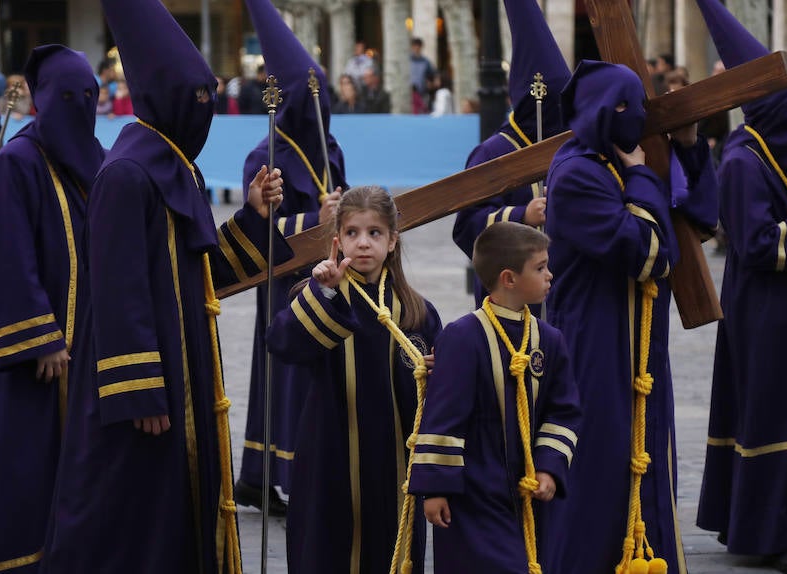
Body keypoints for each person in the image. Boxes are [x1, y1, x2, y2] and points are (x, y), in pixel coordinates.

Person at [39, 0, 291, 571]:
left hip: (186, 373)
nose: (203, 108)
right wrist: (140, 394)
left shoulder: (174, 166)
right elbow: (116, 294)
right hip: (150, 391)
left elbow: (199, 272)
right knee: (131, 518)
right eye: (197, 98)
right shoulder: (128, 174)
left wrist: (251, 216)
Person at [0, 44, 104, 574]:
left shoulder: (94, 159)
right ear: (43, 100)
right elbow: (10, 256)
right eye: (68, 96)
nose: (80, 106)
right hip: (35, 354)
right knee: (19, 468)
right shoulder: (16, 162)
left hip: (85, 346)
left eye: (89, 97)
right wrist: (41, 337)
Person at [543, 59, 717, 574]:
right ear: (601, 112)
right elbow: (648, 252)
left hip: (639, 341)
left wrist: (686, 146)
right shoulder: (578, 172)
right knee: (601, 459)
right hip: (594, 340)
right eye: (624, 107)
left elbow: (700, 220)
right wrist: (643, 176)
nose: (634, 116)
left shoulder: (619, 162)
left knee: (645, 453)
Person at [694, 1, 787, 572]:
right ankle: (773, 532)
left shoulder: (775, 155)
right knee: (771, 409)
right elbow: (756, 245)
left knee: (779, 406)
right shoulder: (744, 161)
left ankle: (753, 518)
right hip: (762, 309)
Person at [267, 185, 441, 573]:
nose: (363, 244)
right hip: (329, 456)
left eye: (375, 233)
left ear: (393, 240)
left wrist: (436, 374)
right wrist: (323, 294)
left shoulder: (417, 313)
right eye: (352, 233)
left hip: (392, 462)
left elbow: (439, 400)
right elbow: (282, 344)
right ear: (337, 240)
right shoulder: (319, 294)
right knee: (327, 550)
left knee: (390, 551)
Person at [410, 221, 581, 572]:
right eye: (540, 267)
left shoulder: (549, 340)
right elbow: (442, 418)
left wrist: (549, 467)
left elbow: (563, 412)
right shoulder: (462, 337)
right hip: (473, 491)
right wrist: (436, 489)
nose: (550, 275)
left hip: (528, 492)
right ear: (509, 278)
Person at [236, 0, 349, 516]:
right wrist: (317, 221)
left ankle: (275, 472)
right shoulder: (265, 158)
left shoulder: (332, 148)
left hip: (328, 277)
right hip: (282, 285)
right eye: (312, 96)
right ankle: (275, 472)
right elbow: (260, 229)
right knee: (282, 374)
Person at [453, 0, 568, 309]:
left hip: (564, 296)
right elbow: (466, 227)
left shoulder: (572, 147)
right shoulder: (492, 152)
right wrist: (521, 217)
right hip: (508, 305)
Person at [409, 37, 435, 114]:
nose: (416, 48)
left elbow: (432, 75)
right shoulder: (407, 61)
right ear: (412, 47)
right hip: (409, 94)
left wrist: (430, 83)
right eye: (415, 46)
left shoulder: (426, 62)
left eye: (418, 46)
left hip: (422, 93)